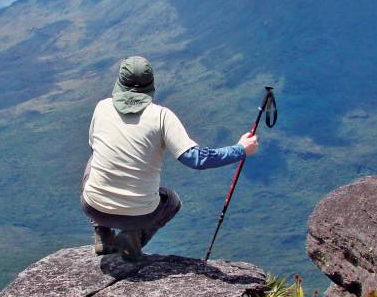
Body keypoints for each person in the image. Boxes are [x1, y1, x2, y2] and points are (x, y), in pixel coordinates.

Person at [81, 56, 259, 261]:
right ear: (151, 85)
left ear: (120, 84)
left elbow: (95, 147)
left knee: (94, 160)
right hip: (143, 215)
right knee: (172, 201)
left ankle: (103, 234)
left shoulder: (101, 107)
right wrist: (240, 149)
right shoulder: (162, 116)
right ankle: (133, 237)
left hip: (94, 207)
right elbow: (196, 159)